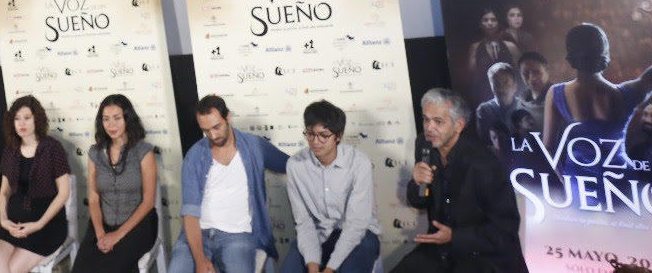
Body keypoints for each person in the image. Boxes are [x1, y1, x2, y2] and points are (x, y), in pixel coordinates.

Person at [543, 0, 652, 179]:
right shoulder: (626, 95)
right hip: (622, 179)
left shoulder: (556, 94)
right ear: (605, 52)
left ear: (571, 55)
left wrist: (566, 180)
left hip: (580, 182)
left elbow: (548, 146)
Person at [393, 89, 527, 273]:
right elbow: (419, 201)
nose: (429, 128)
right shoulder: (424, 145)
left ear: (459, 125)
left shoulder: (484, 165)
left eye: (438, 121)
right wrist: (417, 183)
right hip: (441, 248)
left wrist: (454, 237)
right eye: (425, 119)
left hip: (484, 255)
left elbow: (505, 230)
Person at [170, 94, 288, 273]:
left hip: (237, 234)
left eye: (216, 127)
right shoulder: (194, 156)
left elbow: (290, 164)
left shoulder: (254, 146)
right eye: (206, 130)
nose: (213, 135)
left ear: (228, 117)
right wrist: (200, 259)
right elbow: (190, 213)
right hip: (198, 233)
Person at [280, 100, 380, 273]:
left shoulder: (359, 163)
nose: (315, 141)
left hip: (360, 235)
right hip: (318, 235)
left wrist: (330, 269)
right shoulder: (295, 165)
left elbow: (356, 225)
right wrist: (313, 266)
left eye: (324, 135)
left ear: (338, 136)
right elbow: (304, 222)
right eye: (310, 134)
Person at [70, 94, 158, 273]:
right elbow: (93, 200)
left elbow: (148, 201)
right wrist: (100, 234)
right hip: (102, 225)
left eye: (117, 118)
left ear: (127, 118)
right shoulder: (95, 153)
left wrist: (117, 235)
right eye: (106, 119)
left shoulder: (143, 151)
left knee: (108, 268)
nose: (111, 125)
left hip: (137, 226)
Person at [0, 95, 71, 273]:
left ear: (37, 119)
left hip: (45, 226)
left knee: (12, 269)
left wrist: (38, 224)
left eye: (27, 118)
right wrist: (3, 220)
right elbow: (4, 191)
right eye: (17, 119)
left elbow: (64, 193)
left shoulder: (53, 148)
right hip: (13, 225)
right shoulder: (11, 149)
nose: (21, 123)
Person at [464, 10, 517, 102]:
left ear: (498, 23)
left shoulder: (511, 47)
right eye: (485, 20)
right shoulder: (475, 48)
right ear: (480, 24)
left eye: (493, 20)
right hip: (484, 96)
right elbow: (473, 77)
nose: (490, 23)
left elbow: (518, 74)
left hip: (509, 96)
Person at [472, 63, 518, 144]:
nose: (501, 89)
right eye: (496, 84)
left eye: (505, 83)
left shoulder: (525, 106)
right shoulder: (484, 110)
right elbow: (485, 142)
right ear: (491, 86)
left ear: (515, 87)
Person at [512, 53, 550, 131]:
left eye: (537, 72)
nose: (531, 77)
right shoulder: (521, 102)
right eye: (525, 73)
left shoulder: (559, 98)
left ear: (547, 71)